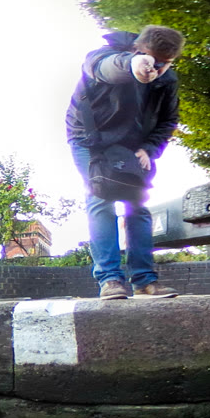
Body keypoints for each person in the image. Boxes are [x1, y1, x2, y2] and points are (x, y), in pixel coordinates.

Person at [66, 25, 184, 299]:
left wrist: (149, 149)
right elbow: (106, 68)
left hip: (132, 146)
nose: (157, 69)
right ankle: (110, 280)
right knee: (101, 199)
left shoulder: (167, 81)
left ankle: (144, 281)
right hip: (90, 140)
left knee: (138, 206)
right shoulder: (102, 57)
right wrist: (133, 65)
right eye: (152, 60)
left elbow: (168, 120)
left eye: (165, 63)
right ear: (137, 49)